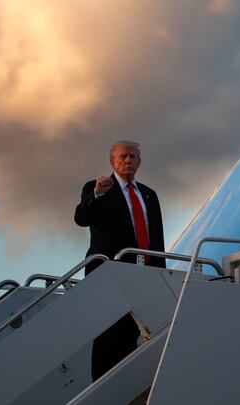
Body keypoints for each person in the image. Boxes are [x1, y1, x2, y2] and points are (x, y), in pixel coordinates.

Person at [74, 140, 166, 381]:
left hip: (144, 275)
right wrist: (97, 194)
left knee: (134, 334)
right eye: (123, 156)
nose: (128, 161)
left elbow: (157, 239)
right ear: (112, 162)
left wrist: (160, 273)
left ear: (139, 162)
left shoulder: (149, 194)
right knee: (107, 337)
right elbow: (81, 218)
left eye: (133, 157)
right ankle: (103, 389)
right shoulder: (98, 189)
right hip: (109, 276)